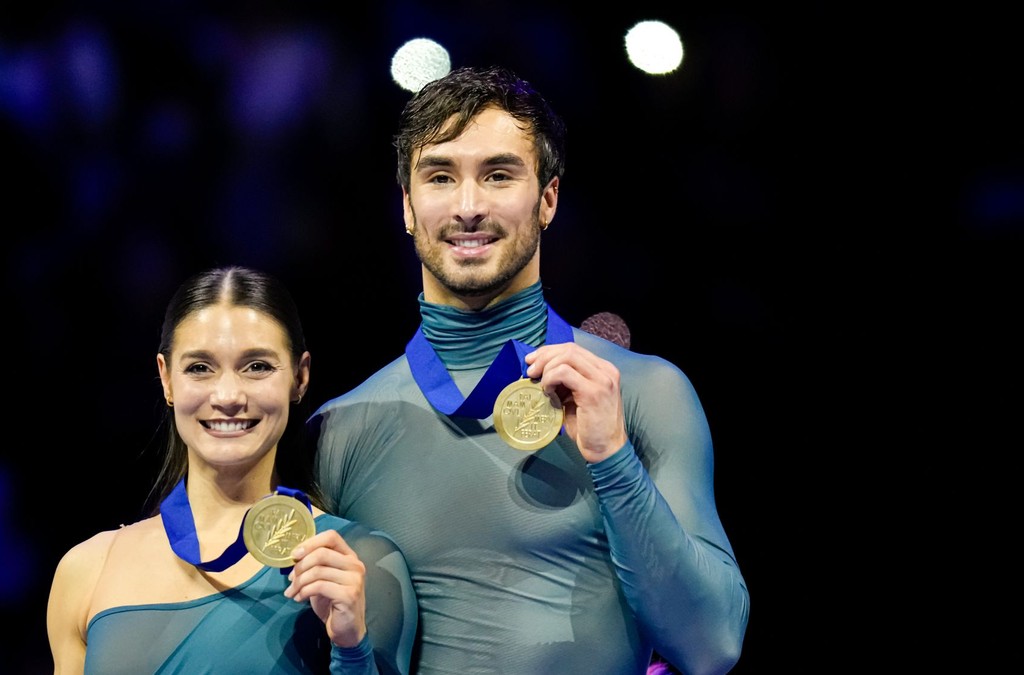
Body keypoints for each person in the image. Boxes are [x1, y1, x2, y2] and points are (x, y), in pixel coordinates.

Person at [306, 66, 749, 674]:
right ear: (407, 206)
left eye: (498, 175)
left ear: (548, 199)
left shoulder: (646, 393)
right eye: (440, 176)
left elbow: (712, 645)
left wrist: (614, 460)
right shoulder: (340, 429)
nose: (468, 206)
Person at [47, 266, 417, 674]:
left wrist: (351, 648)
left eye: (256, 366)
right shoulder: (86, 570)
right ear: (166, 379)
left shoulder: (354, 565)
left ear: (300, 377)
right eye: (200, 368)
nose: (227, 396)